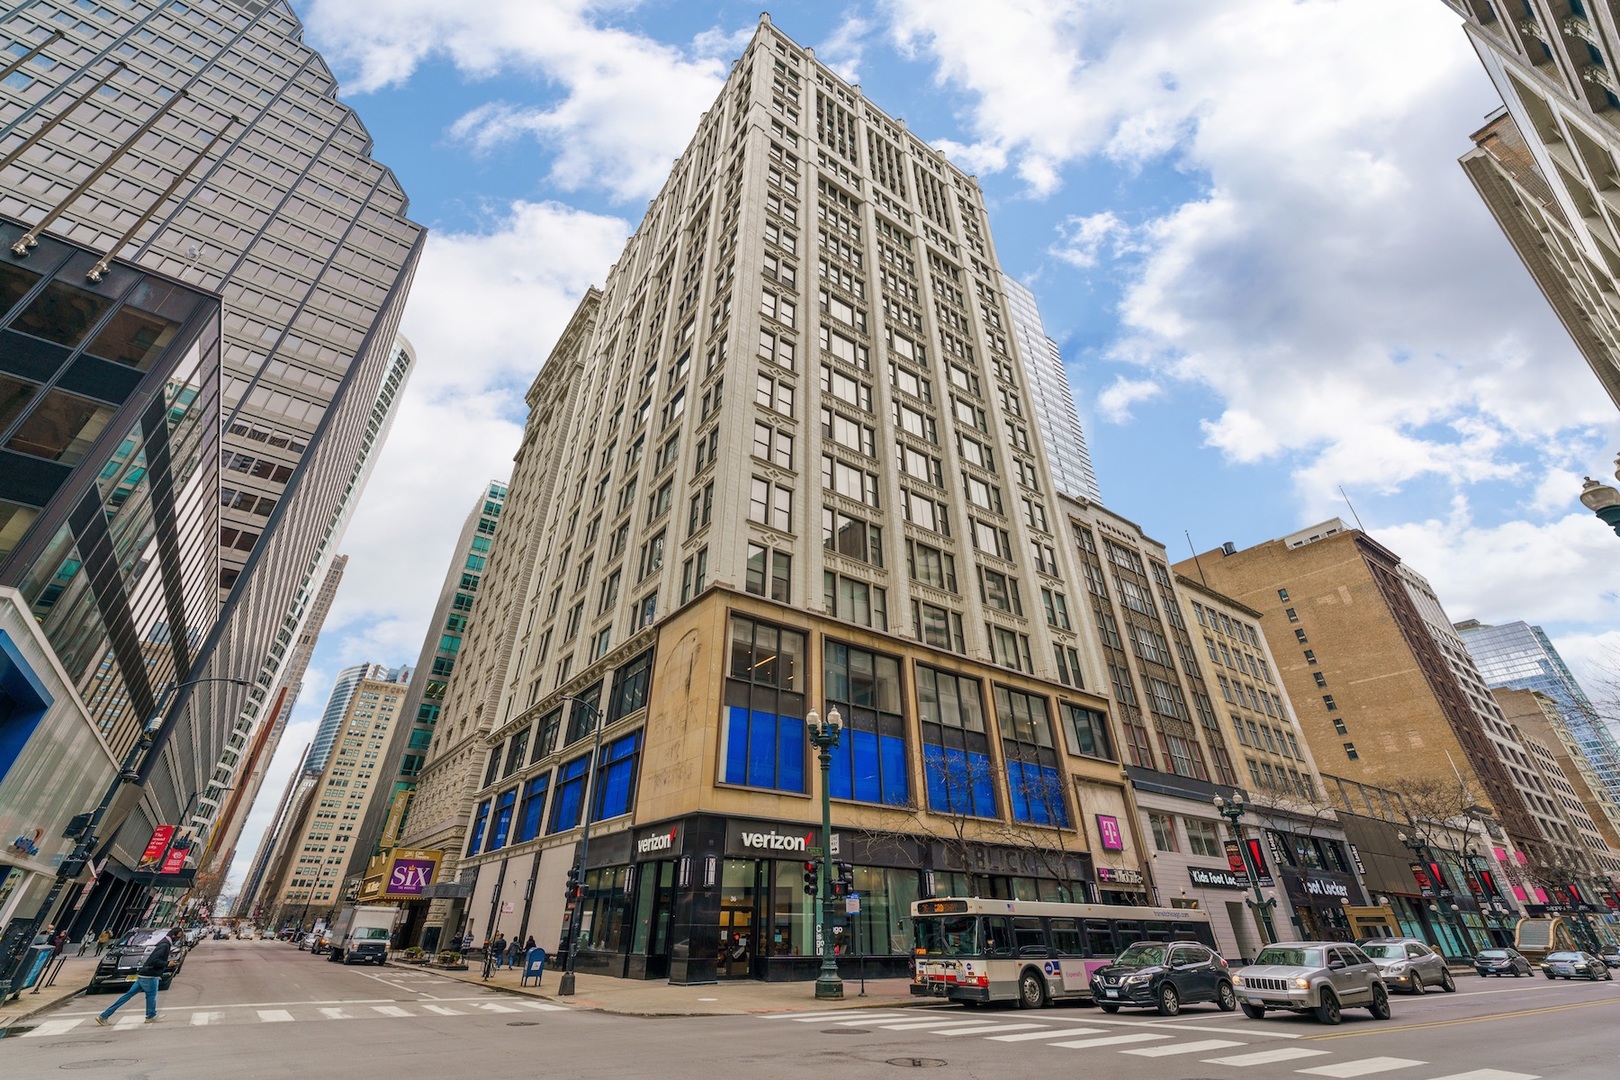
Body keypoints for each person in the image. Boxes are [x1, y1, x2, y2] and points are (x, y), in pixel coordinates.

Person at [96, 927, 179, 1026]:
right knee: (151, 996)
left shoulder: (163, 943)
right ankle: (150, 1016)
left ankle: (104, 1015)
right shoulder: (165, 945)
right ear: (174, 935)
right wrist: (168, 963)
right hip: (150, 975)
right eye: (179, 935)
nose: (179, 938)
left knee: (128, 995)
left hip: (143, 974)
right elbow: (154, 961)